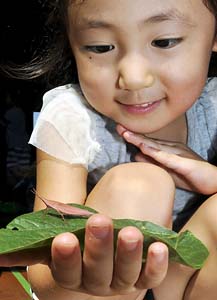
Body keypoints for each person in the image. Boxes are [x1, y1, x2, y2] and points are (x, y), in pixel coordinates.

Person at [2, 0, 217, 299]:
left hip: (184, 285)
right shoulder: (72, 117)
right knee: (140, 185)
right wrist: (78, 275)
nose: (133, 77)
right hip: (93, 292)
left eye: (163, 41)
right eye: (100, 47)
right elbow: (41, 268)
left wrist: (212, 179)